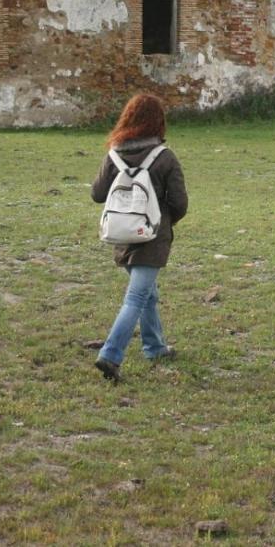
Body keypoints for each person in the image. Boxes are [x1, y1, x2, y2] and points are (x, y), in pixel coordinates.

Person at [91, 93, 188, 383]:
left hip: (123, 234)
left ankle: (155, 347)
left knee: (147, 293)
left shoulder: (114, 155)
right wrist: (165, 221)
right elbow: (180, 202)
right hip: (152, 237)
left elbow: (97, 194)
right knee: (136, 296)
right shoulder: (165, 158)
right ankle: (110, 354)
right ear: (159, 123)